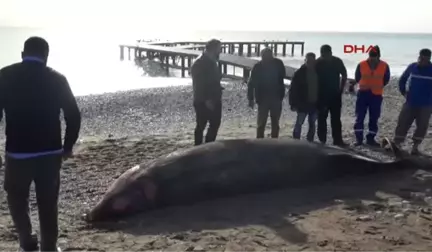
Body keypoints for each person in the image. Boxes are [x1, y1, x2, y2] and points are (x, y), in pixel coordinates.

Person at [0, 37, 81, 252]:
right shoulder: (57, 79)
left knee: (17, 198)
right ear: (46, 55)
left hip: (17, 153)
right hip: (50, 153)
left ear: (22, 53)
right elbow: (73, 115)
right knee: (48, 203)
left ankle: (26, 239)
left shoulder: (4, 76)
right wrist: (68, 146)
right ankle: (49, 247)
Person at [393, 48, 432, 155]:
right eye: (421, 58)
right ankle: (397, 143)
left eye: (425, 59)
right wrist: (404, 93)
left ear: (429, 58)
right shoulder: (412, 67)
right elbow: (402, 80)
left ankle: (415, 147)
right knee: (403, 122)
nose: (422, 60)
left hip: (426, 104)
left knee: (422, 125)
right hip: (410, 102)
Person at [350, 45, 390, 146]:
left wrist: (378, 86)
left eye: (374, 55)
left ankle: (370, 139)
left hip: (376, 95)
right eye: (371, 55)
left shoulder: (384, 66)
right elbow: (357, 77)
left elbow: (386, 79)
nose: (372, 58)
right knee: (360, 117)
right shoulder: (362, 64)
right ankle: (359, 139)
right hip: (363, 94)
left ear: (379, 56)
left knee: (374, 118)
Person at [247, 47, 286, 138]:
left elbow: (282, 76)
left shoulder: (278, 63)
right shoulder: (258, 66)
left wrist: (281, 94)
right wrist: (251, 98)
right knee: (261, 123)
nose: (266, 58)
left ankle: (274, 141)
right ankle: (260, 141)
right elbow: (251, 83)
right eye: (264, 56)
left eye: (267, 56)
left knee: (275, 123)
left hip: (276, 97)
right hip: (263, 98)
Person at [191, 39, 223, 145]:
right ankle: (198, 148)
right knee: (201, 125)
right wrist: (206, 100)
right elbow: (199, 84)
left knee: (215, 124)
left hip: (214, 98)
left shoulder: (213, 61)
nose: (220, 51)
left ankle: (209, 146)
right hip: (203, 101)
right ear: (213, 49)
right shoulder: (200, 62)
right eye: (219, 48)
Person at [315, 44, 348, 146]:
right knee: (321, 119)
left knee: (336, 119)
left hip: (335, 95)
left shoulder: (337, 61)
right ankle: (322, 140)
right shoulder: (318, 62)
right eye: (323, 55)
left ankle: (337, 140)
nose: (325, 57)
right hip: (322, 96)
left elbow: (344, 74)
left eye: (327, 54)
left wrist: (341, 89)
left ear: (331, 52)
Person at [289, 52, 318, 142]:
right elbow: (292, 89)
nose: (310, 63)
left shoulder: (319, 72)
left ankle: (310, 141)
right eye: (308, 61)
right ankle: (296, 141)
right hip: (302, 103)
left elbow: (323, 88)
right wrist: (292, 103)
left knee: (312, 124)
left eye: (312, 61)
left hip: (315, 103)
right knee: (299, 123)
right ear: (305, 60)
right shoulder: (299, 73)